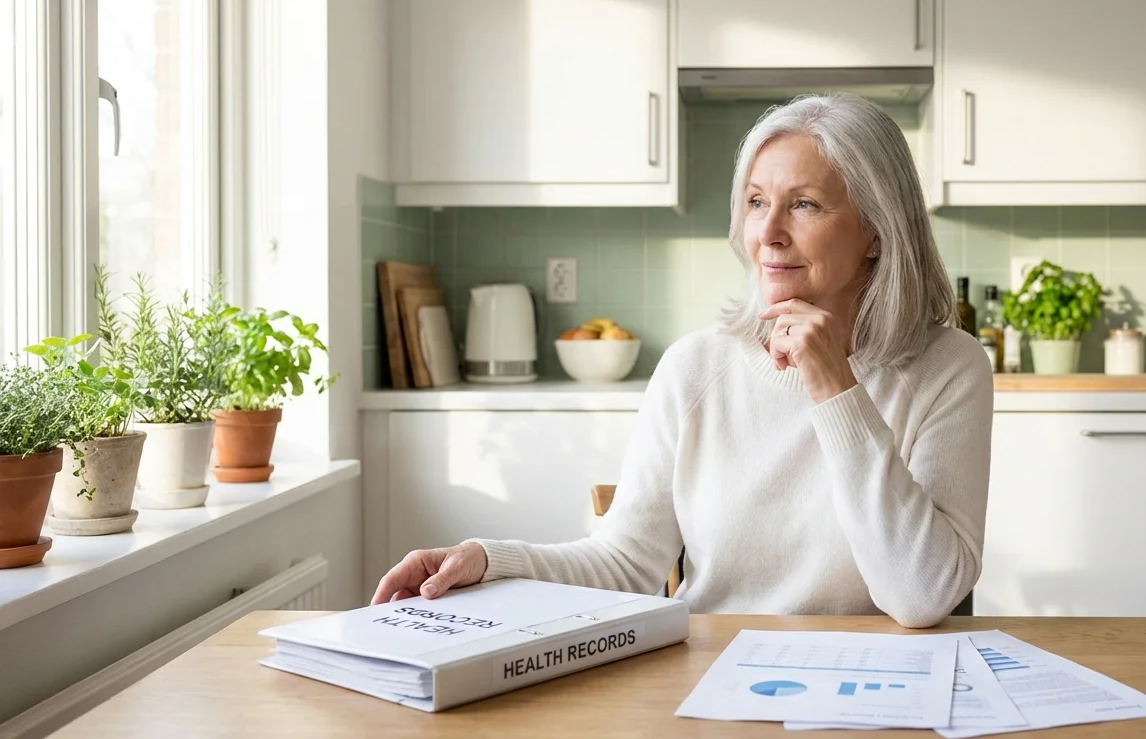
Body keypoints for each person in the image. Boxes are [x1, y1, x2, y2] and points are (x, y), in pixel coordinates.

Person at [372, 93, 994, 628]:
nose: (768, 232)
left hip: (878, 690)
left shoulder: (949, 368)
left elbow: (921, 596)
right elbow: (624, 564)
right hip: (712, 675)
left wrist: (835, 386)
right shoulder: (695, 367)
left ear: (876, 230)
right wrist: (487, 560)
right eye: (756, 202)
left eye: (804, 204)